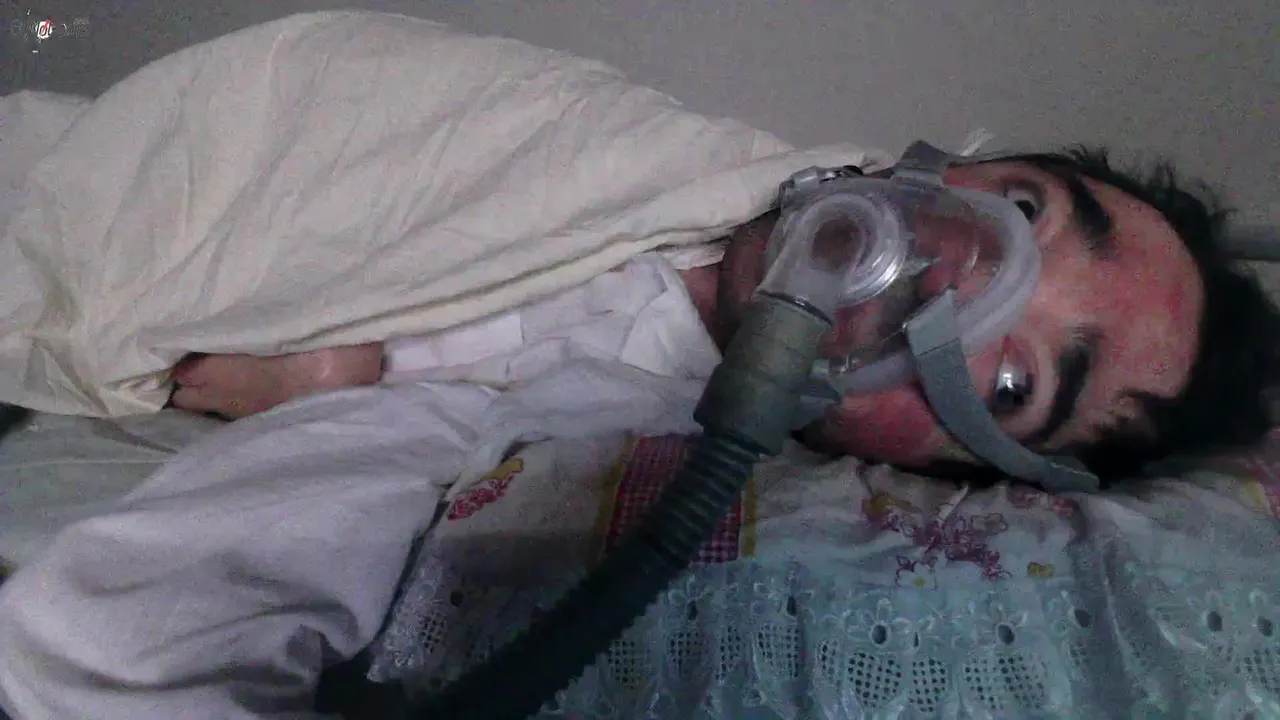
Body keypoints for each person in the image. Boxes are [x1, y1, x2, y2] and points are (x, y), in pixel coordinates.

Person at [166, 148, 1280, 483]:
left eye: (1014, 382)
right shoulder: (687, 165)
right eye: (1024, 211)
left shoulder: (626, 437)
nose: (957, 269)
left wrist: (331, 384)